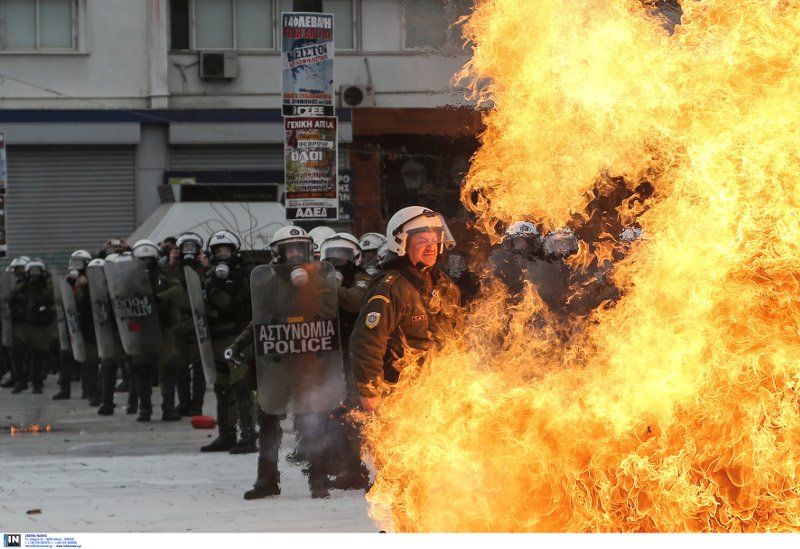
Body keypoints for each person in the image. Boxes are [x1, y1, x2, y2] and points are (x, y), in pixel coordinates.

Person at [349, 206, 461, 411]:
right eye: (422, 242)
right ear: (402, 244)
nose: (431, 247)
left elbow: (457, 336)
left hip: (440, 392)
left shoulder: (445, 285)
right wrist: (369, 391)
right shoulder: (390, 288)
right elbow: (367, 341)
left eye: (434, 240)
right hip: (400, 395)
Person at [319, 232, 372, 490]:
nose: (338, 260)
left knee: (355, 411)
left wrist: (330, 288)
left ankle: (360, 468)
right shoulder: (318, 280)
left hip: (353, 353)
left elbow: (354, 301)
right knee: (333, 411)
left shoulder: (363, 278)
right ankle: (342, 465)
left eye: (343, 255)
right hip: (328, 351)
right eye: (333, 256)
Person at [200, 230, 256, 454]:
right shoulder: (208, 276)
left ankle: (248, 435)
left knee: (240, 386)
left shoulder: (244, 275)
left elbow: (232, 304)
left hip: (237, 339)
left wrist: (218, 291)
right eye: (218, 251)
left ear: (234, 252)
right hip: (215, 340)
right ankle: (226, 434)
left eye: (226, 251)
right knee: (221, 388)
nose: (222, 255)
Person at [129, 239, 183, 422]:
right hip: (140, 329)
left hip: (162, 326)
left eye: (149, 259)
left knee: (169, 366)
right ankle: (144, 408)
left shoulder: (163, 275)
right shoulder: (130, 278)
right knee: (142, 368)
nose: (146, 263)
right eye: (142, 260)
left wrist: (159, 297)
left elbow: (177, 289)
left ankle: (168, 407)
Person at [169, 232, 207, 417]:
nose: (189, 251)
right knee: (180, 365)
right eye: (186, 247)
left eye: (192, 247)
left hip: (198, 320)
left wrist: (206, 265)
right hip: (178, 321)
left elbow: (211, 283)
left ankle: (196, 404)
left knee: (199, 366)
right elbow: (164, 283)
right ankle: (183, 402)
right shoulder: (174, 269)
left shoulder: (203, 269)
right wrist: (171, 263)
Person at [10, 259, 57, 394]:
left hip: (39, 327)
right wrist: (14, 311)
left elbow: (56, 303)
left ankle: (37, 383)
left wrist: (48, 311)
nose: (34, 273)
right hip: (22, 326)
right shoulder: (21, 287)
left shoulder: (48, 288)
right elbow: (9, 301)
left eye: (37, 270)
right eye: (32, 271)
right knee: (17, 355)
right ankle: (20, 382)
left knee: (38, 356)